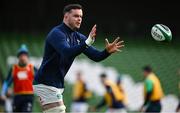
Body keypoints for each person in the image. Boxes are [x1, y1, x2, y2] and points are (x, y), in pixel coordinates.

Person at [33, 3, 124, 113]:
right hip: (45, 83)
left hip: (56, 85)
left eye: (81, 17)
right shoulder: (57, 33)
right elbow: (66, 52)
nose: (79, 19)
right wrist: (87, 42)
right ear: (66, 16)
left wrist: (106, 52)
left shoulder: (78, 37)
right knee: (59, 110)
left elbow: (96, 56)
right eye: (76, 16)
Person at [0, 44, 37, 112]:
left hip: (28, 97)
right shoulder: (14, 69)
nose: (23, 57)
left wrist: (41, 94)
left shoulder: (32, 68)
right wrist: (2, 93)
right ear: (18, 57)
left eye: (24, 55)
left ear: (27, 57)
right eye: (21, 55)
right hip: (17, 97)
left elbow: (39, 81)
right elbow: (7, 82)